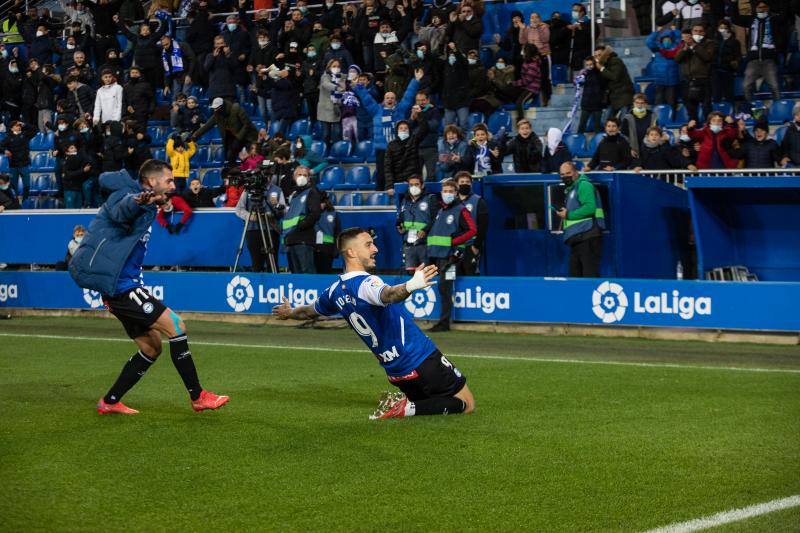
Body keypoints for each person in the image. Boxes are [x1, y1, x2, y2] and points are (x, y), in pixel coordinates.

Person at [68, 159, 229, 414]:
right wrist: (139, 201)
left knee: (151, 348)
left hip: (122, 286)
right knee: (176, 326)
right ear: (152, 182)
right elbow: (122, 208)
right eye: (169, 180)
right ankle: (198, 397)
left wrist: (152, 202)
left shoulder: (150, 204)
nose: (173, 184)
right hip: (121, 287)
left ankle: (109, 402)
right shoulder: (127, 196)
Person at [272, 227, 475, 420]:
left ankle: (409, 406)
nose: (375, 249)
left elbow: (308, 311)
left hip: (397, 372)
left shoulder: (334, 291)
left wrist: (289, 312)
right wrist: (411, 285)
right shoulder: (366, 283)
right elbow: (388, 295)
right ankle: (407, 407)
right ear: (351, 252)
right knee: (467, 403)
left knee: (435, 406)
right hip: (421, 359)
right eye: (368, 245)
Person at [353, 69, 420, 191]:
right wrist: (358, 86)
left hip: (398, 148)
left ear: (395, 100)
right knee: (382, 173)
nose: (390, 99)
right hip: (382, 149)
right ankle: (380, 196)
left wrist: (416, 81)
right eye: (387, 97)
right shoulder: (376, 110)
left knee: (398, 173)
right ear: (384, 100)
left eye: (392, 98)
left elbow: (408, 96)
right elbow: (366, 99)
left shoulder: (400, 110)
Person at [426, 179, 476, 332]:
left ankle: (444, 322)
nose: (447, 193)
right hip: (438, 255)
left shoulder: (460, 210)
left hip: (450, 257)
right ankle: (443, 321)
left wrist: (454, 242)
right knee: (443, 288)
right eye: (445, 191)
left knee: (445, 288)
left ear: (455, 193)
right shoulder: (441, 211)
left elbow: (472, 230)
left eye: (450, 191)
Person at [556, 162, 605, 278]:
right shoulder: (571, 189)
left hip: (588, 235)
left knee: (589, 275)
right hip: (577, 238)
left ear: (576, 172)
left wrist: (568, 215)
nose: (565, 176)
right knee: (576, 276)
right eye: (562, 174)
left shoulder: (584, 185)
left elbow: (590, 208)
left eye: (568, 173)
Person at [731, 0, 785, 107]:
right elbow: (735, 18)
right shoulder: (751, 20)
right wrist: (734, 3)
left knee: (774, 86)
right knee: (746, 86)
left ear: (768, 8)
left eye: (764, 7)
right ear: (755, 9)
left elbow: (785, 13)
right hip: (753, 61)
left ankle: (778, 109)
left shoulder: (775, 20)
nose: (762, 9)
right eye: (759, 7)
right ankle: (752, 109)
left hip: (769, 61)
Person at [235, 175, 286, 272]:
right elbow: (238, 209)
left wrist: (276, 205)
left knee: (272, 263)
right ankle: (258, 286)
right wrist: (249, 216)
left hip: (271, 230)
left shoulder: (277, 190)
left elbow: (283, 212)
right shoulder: (248, 190)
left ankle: (274, 286)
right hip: (253, 230)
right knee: (256, 264)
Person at [192, 98, 258, 166]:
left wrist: (238, 138)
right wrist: (195, 135)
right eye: (214, 108)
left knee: (253, 156)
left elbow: (247, 124)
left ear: (222, 106)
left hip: (248, 136)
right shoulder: (217, 115)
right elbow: (206, 126)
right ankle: (234, 173)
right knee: (230, 157)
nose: (215, 110)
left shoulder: (236, 109)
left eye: (217, 108)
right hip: (234, 138)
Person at [282, 166, 321, 274]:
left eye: (305, 175)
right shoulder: (294, 195)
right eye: (299, 175)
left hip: (304, 239)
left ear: (309, 178)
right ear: (294, 177)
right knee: (295, 274)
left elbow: (315, 214)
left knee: (307, 272)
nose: (302, 177)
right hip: (292, 239)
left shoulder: (312, 192)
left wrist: (300, 225)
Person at [674, 24, 715, 122]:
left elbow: (707, 57)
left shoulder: (709, 43)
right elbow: (677, 59)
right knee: (691, 110)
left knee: (706, 108)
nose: (698, 33)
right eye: (695, 31)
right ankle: (694, 128)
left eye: (700, 31)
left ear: (704, 33)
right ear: (692, 33)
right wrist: (685, 48)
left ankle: (708, 128)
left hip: (703, 80)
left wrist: (694, 45)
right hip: (688, 81)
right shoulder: (685, 44)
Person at [397, 175, 438, 272]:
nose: (414, 187)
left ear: (422, 185)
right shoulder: (405, 200)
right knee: (411, 274)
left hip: (425, 244)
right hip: (409, 244)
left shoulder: (430, 199)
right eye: (411, 185)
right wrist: (399, 225)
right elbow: (401, 217)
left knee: (426, 273)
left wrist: (425, 230)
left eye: (417, 184)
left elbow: (437, 219)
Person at [454, 171, 487, 276]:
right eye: (462, 181)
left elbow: (483, 226)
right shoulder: (451, 201)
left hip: (471, 246)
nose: (465, 184)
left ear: (471, 184)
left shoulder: (478, 201)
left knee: (471, 274)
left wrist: (476, 246)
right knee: (453, 275)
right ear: (456, 184)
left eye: (467, 182)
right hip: (454, 247)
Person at [646, 28, 681, 111]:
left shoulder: (676, 47)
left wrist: (675, 31)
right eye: (665, 39)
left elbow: (680, 39)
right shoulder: (657, 48)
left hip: (672, 81)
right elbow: (648, 41)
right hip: (659, 81)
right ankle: (658, 121)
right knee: (659, 103)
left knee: (671, 103)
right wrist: (656, 32)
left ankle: (671, 120)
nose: (666, 41)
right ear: (661, 40)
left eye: (668, 39)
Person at [384, 120, 425, 193]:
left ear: (409, 130)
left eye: (406, 128)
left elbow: (424, 129)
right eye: (401, 128)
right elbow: (388, 167)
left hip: (414, 181)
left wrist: (420, 115)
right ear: (397, 130)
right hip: (397, 182)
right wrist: (390, 186)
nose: (403, 130)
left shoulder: (414, 141)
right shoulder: (391, 145)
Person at [594, 45, 633, 120]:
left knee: (624, 120)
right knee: (605, 120)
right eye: (595, 56)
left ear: (606, 54)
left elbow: (614, 77)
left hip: (623, 95)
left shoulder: (615, 60)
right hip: (613, 98)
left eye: (599, 55)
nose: (597, 58)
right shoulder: (602, 64)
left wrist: (601, 69)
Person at [410, 89, 441, 181]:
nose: (421, 102)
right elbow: (409, 128)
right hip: (416, 147)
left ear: (428, 100)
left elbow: (433, 126)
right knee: (415, 176)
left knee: (432, 175)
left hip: (430, 148)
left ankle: (432, 195)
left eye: (423, 100)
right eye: (418, 101)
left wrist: (420, 115)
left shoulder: (434, 111)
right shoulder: (413, 111)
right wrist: (412, 118)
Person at [0, 121, 36, 200]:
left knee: (27, 185)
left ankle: (25, 200)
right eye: (16, 126)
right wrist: (5, 151)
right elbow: (0, 146)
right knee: (13, 185)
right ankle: (14, 201)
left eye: (19, 126)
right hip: (13, 165)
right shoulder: (8, 137)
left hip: (24, 164)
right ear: (12, 128)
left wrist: (25, 124)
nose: (19, 127)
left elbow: (35, 130)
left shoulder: (25, 135)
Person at [577, 56, 607, 134]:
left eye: (591, 64)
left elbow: (604, 85)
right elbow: (578, 83)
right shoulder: (584, 74)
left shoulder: (600, 73)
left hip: (597, 105)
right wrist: (579, 78)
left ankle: (597, 144)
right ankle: (578, 143)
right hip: (586, 104)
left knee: (597, 127)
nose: (589, 66)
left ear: (594, 64)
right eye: (587, 65)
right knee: (581, 126)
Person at [313, 192, 340, 274]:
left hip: (328, 249)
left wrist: (336, 249)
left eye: (320, 202)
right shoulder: (312, 214)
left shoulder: (333, 214)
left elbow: (337, 232)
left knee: (326, 271)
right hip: (314, 248)